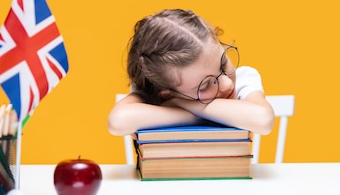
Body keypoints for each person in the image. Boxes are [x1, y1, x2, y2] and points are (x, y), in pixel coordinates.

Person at [108, 9, 275, 137]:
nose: (227, 83)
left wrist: (185, 104)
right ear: (167, 94)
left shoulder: (244, 78)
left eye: (224, 64)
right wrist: (197, 114)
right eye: (206, 85)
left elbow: (263, 120)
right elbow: (118, 121)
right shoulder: (154, 90)